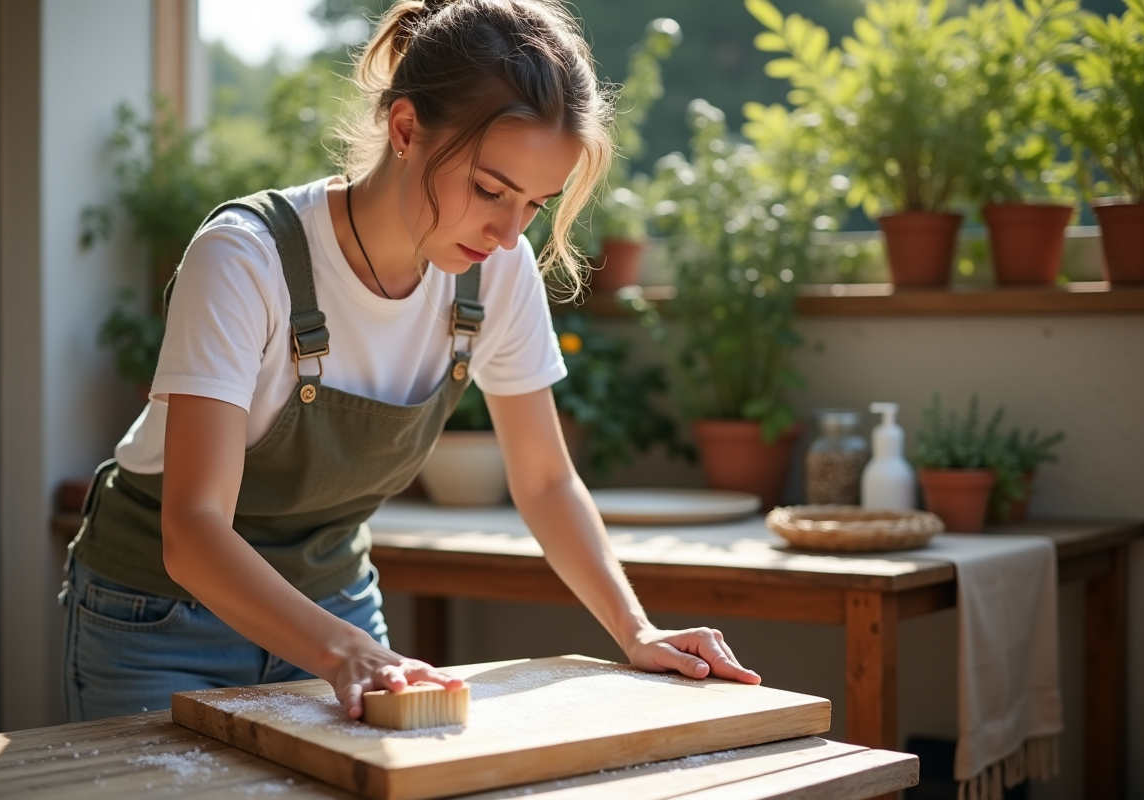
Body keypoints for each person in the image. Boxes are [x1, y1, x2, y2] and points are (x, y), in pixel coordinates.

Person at [61, 0, 761, 724]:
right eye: (490, 190)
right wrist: (344, 652)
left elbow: (547, 479)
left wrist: (635, 628)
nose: (506, 230)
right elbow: (194, 529)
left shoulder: (497, 271)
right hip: (156, 616)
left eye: (534, 204)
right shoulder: (245, 257)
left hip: (334, 601)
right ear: (404, 130)